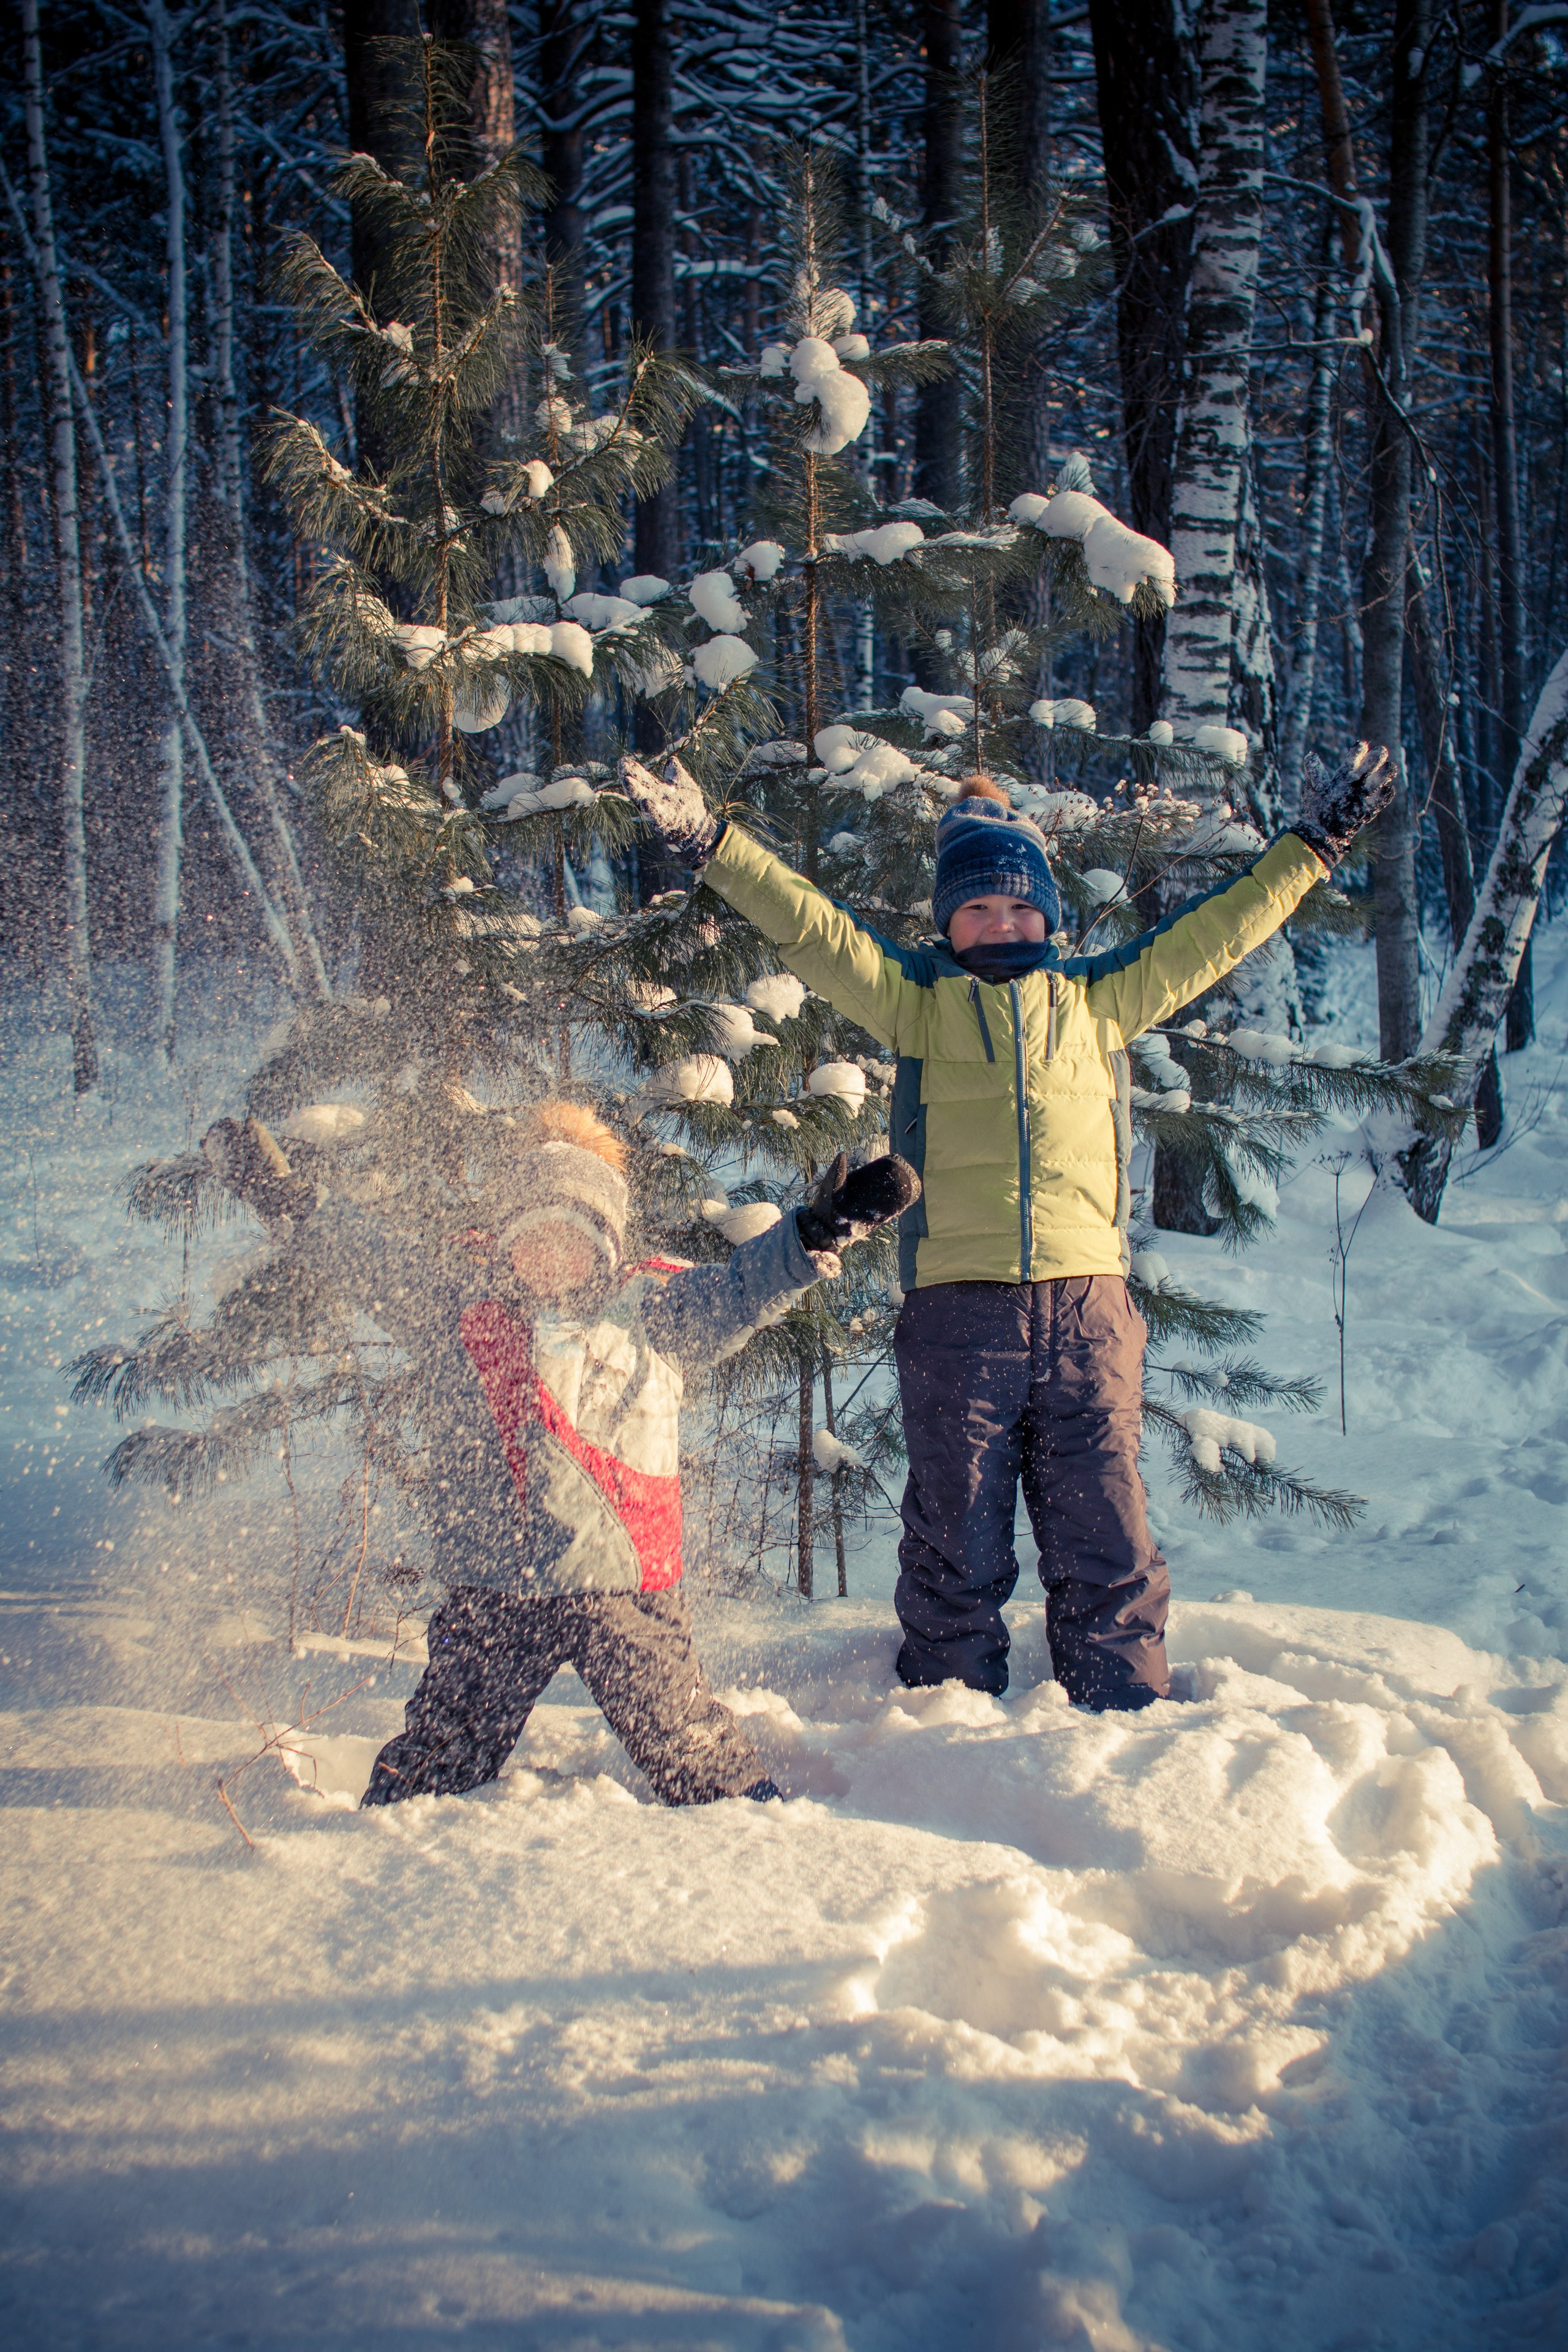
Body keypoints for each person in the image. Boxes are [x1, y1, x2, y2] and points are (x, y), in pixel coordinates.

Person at [621, 741, 1395, 1711]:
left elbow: (1218, 931)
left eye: (1021, 905)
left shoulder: (1099, 1000)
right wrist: (714, 844)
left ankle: (1125, 1715)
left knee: (1107, 1533)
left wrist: (1313, 846)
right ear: (947, 920)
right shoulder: (918, 1002)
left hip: (1089, 1313)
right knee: (956, 1536)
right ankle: (949, 1727)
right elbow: (812, 929)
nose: (1001, 921)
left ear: (1050, 915)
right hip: (960, 1317)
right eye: (978, 906)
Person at [202, 1101, 918, 1804]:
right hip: (493, 1585)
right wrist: (287, 1199)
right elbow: (369, 1261)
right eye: (533, 1238)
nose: (550, 1256)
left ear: (605, 1247)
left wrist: (820, 1229)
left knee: (682, 1735)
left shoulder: (657, 1312)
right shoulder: (458, 1310)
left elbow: (741, 1288)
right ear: (504, 1242)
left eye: (572, 1240)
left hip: (625, 1583)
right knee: (443, 1747)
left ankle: (749, 1821)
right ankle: (388, 1831)